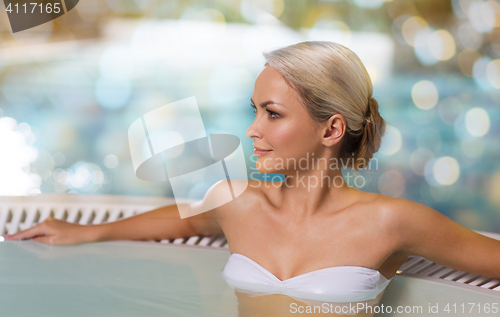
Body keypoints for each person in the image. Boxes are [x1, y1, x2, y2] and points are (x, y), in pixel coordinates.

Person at [4, 41, 500, 306]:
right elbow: (185, 221)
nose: (252, 129)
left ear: (331, 129)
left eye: (273, 114)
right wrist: (88, 233)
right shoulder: (236, 202)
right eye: (254, 110)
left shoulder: (392, 222)